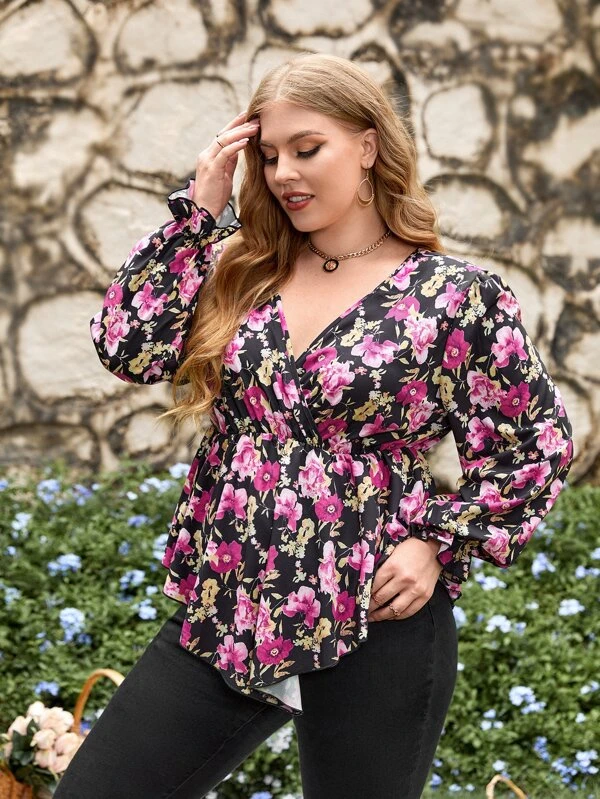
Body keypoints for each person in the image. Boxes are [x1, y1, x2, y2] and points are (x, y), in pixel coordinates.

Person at [55, 53, 574, 799]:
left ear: (367, 145)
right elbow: (128, 346)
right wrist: (198, 213)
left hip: (375, 613)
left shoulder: (455, 297)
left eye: (307, 148)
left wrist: (438, 542)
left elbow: (535, 444)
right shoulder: (244, 268)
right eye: (269, 155)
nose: (284, 174)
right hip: (229, 600)